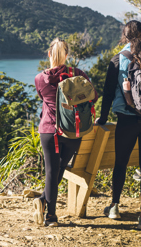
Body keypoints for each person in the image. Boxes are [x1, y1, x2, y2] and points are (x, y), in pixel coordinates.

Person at [96, 20, 141, 231]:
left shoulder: (118, 59)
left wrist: (102, 117)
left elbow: (108, 93)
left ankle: (115, 207)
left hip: (127, 119)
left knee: (121, 163)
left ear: (124, 36)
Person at [33, 37, 98, 227]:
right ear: (67, 55)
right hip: (72, 131)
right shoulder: (78, 75)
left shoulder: (40, 79)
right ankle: (44, 200)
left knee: (52, 171)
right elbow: (92, 98)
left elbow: (42, 98)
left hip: (49, 130)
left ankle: (50, 215)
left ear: (49, 55)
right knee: (59, 168)